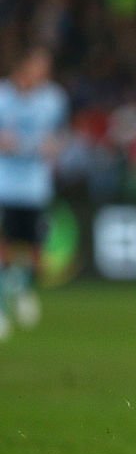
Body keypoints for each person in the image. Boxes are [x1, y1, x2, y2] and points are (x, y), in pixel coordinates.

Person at [0, 47, 68, 340]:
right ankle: (2, 307)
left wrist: (54, 147)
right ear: (22, 68)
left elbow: (60, 137)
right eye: (36, 67)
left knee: (32, 247)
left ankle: (22, 288)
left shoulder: (54, 99)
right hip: (4, 184)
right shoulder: (2, 96)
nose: (41, 74)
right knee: (3, 246)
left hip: (35, 187)